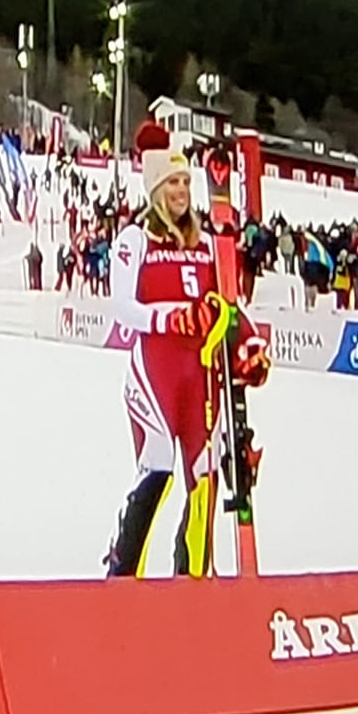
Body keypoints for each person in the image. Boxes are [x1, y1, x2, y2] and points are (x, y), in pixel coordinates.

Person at [102, 128, 270, 578]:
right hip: (155, 373)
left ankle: (193, 573)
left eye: (185, 182)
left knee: (206, 477)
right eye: (172, 183)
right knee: (158, 467)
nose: (180, 191)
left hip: (201, 378)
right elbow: (121, 307)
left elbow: (229, 303)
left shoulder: (207, 245)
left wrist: (248, 347)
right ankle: (124, 569)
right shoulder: (134, 240)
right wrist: (170, 318)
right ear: (156, 189)